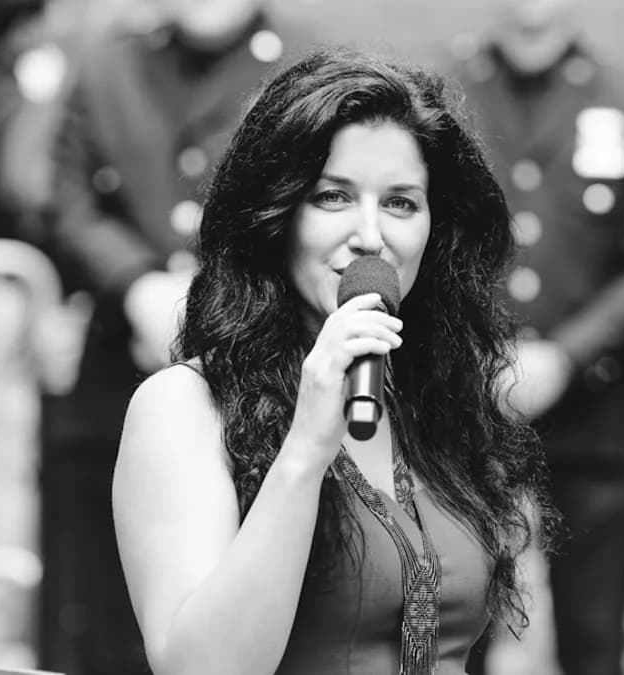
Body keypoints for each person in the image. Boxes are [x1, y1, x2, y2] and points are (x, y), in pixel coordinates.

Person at [112, 47, 554, 674]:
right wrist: (304, 451)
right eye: (333, 197)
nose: (370, 236)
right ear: (274, 214)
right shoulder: (184, 406)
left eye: (400, 203)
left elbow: (513, 642)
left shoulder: (447, 403)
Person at [39, 1, 301, 671]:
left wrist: (206, 298)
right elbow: (67, 198)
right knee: (91, 609)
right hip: (113, 364)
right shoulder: (109, 62)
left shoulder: (302, 65)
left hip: (255, 371)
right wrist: (134, 284)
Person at [454, 1, 624, 673]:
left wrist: (563, 355)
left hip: (591, 406)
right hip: (465, 404)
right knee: (455, 625)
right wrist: (478, 352)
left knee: (594, 631)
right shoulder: (442, 97)